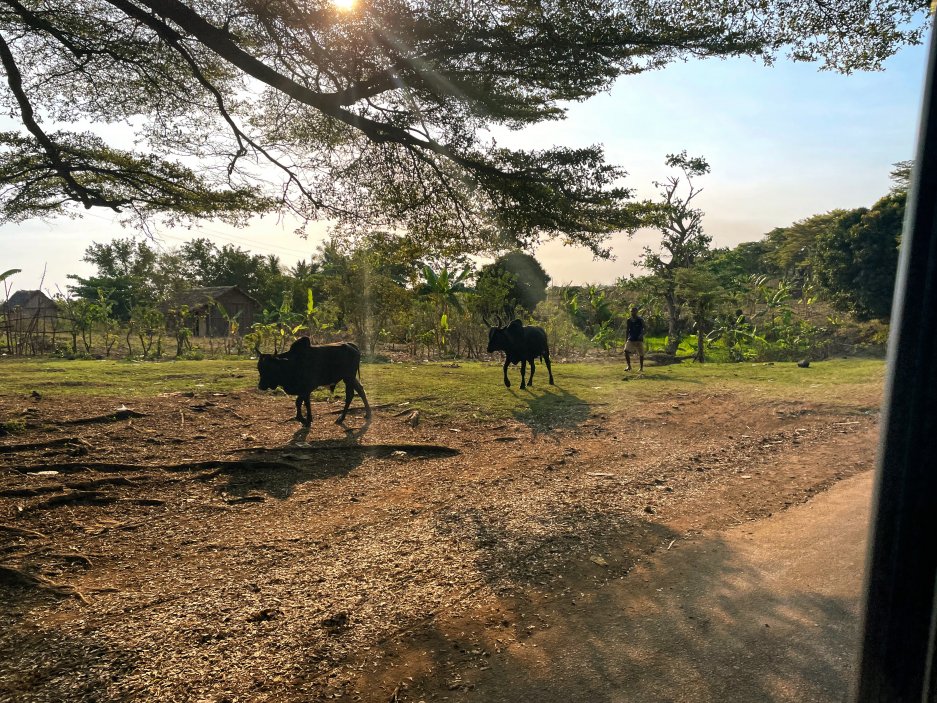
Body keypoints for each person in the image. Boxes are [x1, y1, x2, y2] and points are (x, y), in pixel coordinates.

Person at [624, 306, 645, 372]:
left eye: (634, 311)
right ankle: (629, 366)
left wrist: (641, 335)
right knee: (626, 351)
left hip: (639, 339)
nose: (633, 313)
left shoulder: (640, 320)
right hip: (631, 338)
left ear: (637, 312)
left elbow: (645, 328)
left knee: (641, 354)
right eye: (631, 311)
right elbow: (627, 330)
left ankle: (641, 368)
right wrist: (626, 338)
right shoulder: (629, 320)